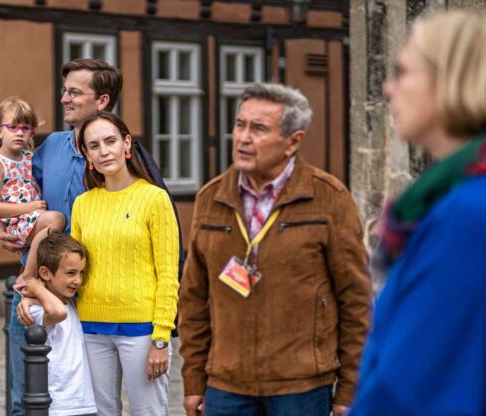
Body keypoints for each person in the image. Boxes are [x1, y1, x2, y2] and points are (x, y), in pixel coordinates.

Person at [0, 58, 183, 415]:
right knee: (35, 398)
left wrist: (163, 332)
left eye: (74, 92)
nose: (64, 98)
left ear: (103, 101)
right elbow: (12, 191)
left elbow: (167, 259)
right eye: (63, 90)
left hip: (112, 310)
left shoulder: (143, 182)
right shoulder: (50, 151)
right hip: (49, 293)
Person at [178, 83, 371, 416]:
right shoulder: (210, 198)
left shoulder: (328, 198)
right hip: (226, 385)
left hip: (301, 386)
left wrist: (349, 389)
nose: (243, 138)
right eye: (240, 125)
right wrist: (194, 381)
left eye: (259, 129)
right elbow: (193, 298)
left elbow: (356, 300)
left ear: (293, 141)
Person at [351, 11, 486, 415]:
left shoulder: (465, 215)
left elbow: (411, 383)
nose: (389, 89)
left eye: (403, 72)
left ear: (450, 80)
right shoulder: (448, 199)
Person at [54, 111, 179, 415]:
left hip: (142, 330)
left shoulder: (154, 199)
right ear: (87, 154)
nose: (104, 151)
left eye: (110, 141)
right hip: (92, 328)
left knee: (147, 412)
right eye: (94, 145)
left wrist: (161, 338)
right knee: (101, 412)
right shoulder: (83, 204)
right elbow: (74, 268)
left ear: (126, 144)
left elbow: (168, 274)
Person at [0, 97, 65, 283]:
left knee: (53, 223)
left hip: (33, 219)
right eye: (12, 127)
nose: (19, 133)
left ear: (32, 132)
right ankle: (28, 275)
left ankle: (31, 269)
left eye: (25, 128)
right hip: (17, 222)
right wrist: (29, 208)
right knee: (56, 219)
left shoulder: (31, 157)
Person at [24, 232, 97, 416]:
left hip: (83, 401)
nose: (78, 281)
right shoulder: (35, 310)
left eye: (82, 273)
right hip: (59, 404)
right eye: (71, 273)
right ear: (45, 273)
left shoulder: (69, 300)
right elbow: (58, 313)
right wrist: (37, 289)